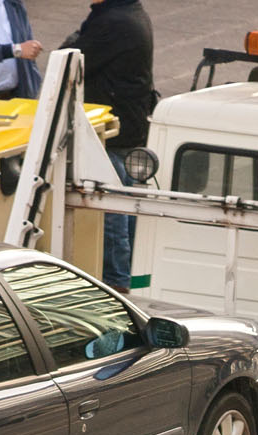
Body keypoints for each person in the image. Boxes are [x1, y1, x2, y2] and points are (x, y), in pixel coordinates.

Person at [59, 0, 154, 292]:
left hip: (113, 132)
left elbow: (69, 59)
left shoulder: (114, 22)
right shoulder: (125, 14)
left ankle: (117, 284)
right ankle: (125, 278)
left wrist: (74, 41)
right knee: (123, 210)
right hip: (127, 126)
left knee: (111, 214)